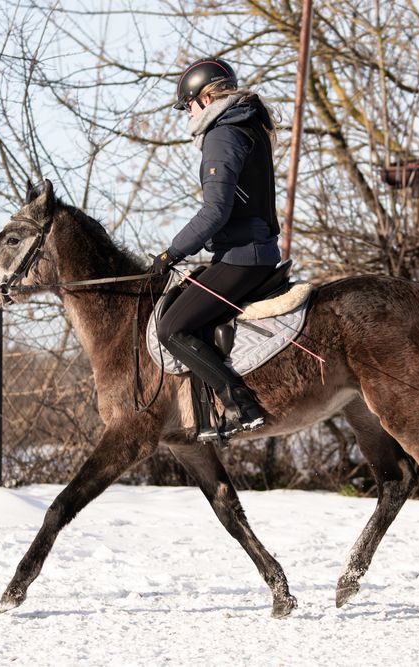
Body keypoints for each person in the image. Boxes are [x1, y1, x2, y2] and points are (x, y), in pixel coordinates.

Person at [151, 57, 282, 440]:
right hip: (249, 252)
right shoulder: (246, 127)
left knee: (171, 326)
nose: (186, 114)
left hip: (243, 257)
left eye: (188, 105)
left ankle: (242, 404)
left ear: (207, 99)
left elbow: (215, 212)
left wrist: (170, 254)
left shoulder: (222, 135)